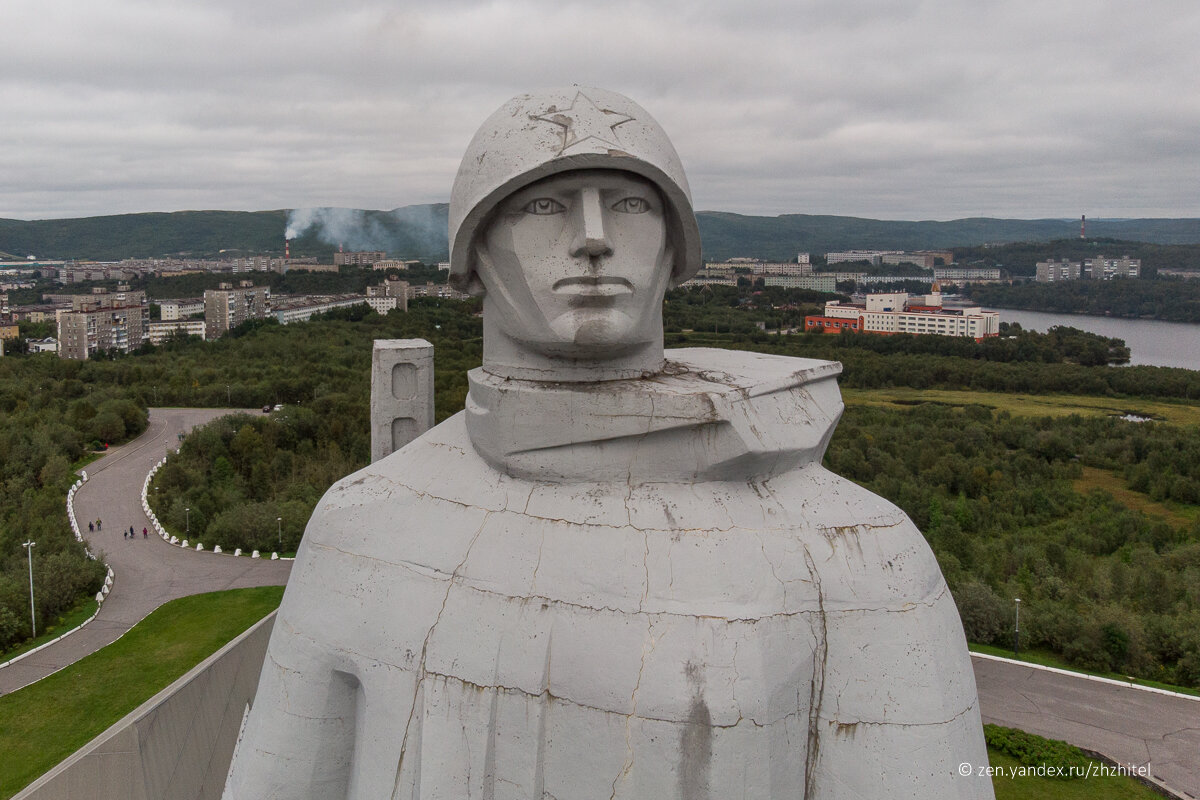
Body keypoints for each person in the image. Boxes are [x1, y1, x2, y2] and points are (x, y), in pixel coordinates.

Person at [224, 88, 991, 800]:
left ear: (674, 249)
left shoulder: (859, 557)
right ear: (473, 253)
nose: (593, 238)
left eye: (630, 205)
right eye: (543, 205)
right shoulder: (362, 528)